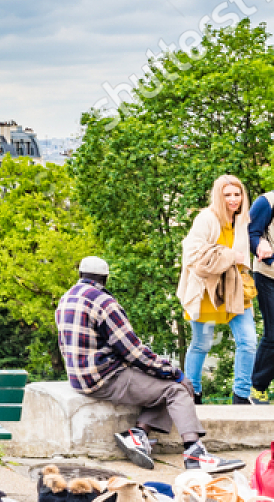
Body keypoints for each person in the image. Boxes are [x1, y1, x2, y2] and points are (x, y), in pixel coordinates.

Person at [57, 254, 242, 473]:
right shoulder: (103, 303)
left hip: (80, 378)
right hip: (105, 378)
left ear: (81, 275)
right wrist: (174, 373)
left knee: (160, 383)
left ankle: (138, 435)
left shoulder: (66, 299)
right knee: (175, 388)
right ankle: (195, 453)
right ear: (105, 279)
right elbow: (134, 352)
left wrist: (161, 371)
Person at [179, 175, 258, 404]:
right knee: (201, 343)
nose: (233, 199)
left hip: (234, 288)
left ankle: (241, 395)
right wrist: (230, 256)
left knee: (248, 341)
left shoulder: (243, 220)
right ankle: (192, 393)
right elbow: (192, 254)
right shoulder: (206, 219)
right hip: (207, 289)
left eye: (237, 194)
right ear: (218, 196)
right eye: (227, 195)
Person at [243, 185, 274, 399]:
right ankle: (257, 387)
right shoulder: (267, 202)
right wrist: (261, 246)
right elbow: (250, 233)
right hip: (269, 276)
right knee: (273, 334)